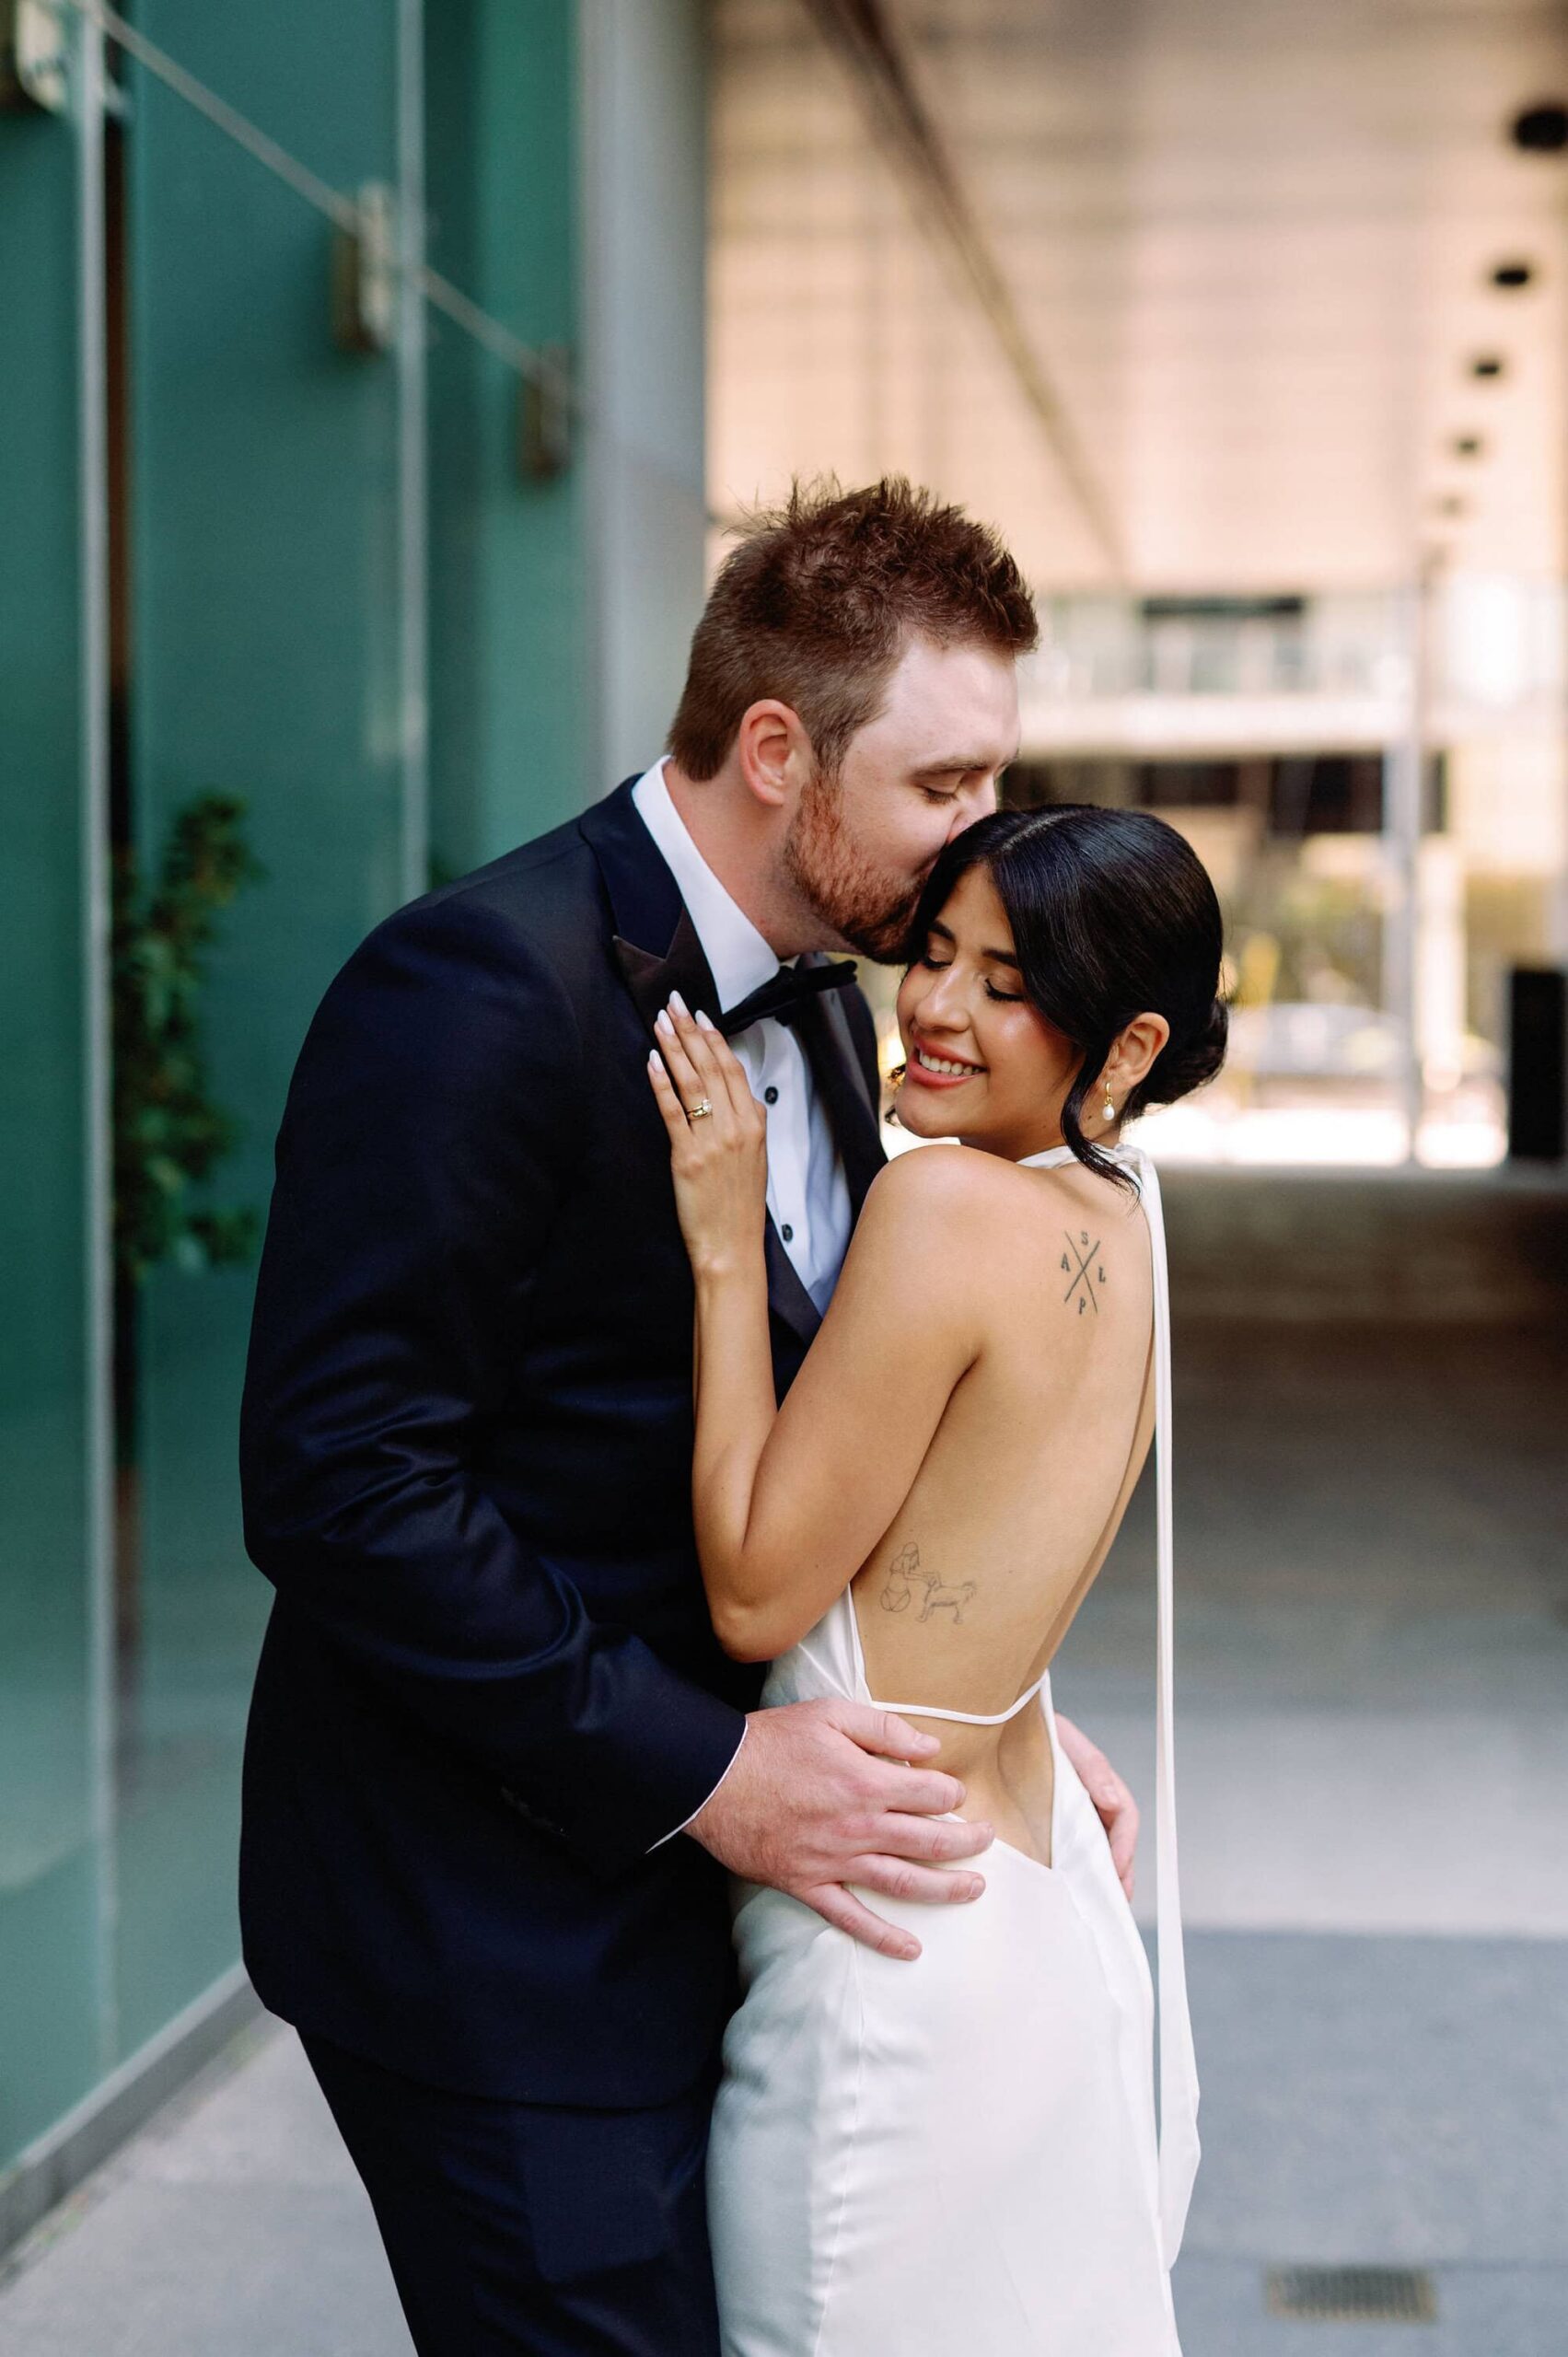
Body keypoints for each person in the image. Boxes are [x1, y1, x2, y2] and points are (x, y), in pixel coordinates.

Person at [238, 479, 1144, 2356]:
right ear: (775, 748)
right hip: (489, 1930)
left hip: (713, 1919)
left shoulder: (823, 1006)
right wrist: (711, 1773)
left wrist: (990, 1712)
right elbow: (341, 1484)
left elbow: (828, 1451)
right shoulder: (477, 988)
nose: (993, 838)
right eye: (946, 785)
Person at [646, 802, 1224, 2354]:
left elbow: (762, 1597)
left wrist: (720, 1242)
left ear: (1126, 1042)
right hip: (1038, 1925)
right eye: (937, 952)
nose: (937, 1005)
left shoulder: (945, 1205)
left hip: (890, 1961)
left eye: (1009, 982)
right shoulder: (1128, 1216)